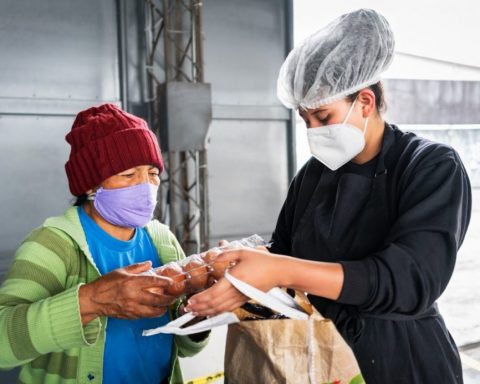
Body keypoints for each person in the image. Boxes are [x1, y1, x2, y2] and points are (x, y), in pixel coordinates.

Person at [186, 9, 471, 384]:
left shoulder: (430, 166)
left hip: (405, 360)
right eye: (305, 120)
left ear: (365, 102)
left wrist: (277, 268)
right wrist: (246, 266)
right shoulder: (313, 175)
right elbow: (284, 250)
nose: (313, 131)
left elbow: (409, 281)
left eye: (323, 116)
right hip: (320, 355)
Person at [0, 104, 208, 384]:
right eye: (128, 174)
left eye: (152, 172)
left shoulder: (162, 241)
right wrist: (91, 300)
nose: (145, 185)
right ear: (90, 185)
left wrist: (198, 313)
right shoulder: (52, 245)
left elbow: (183, 348)